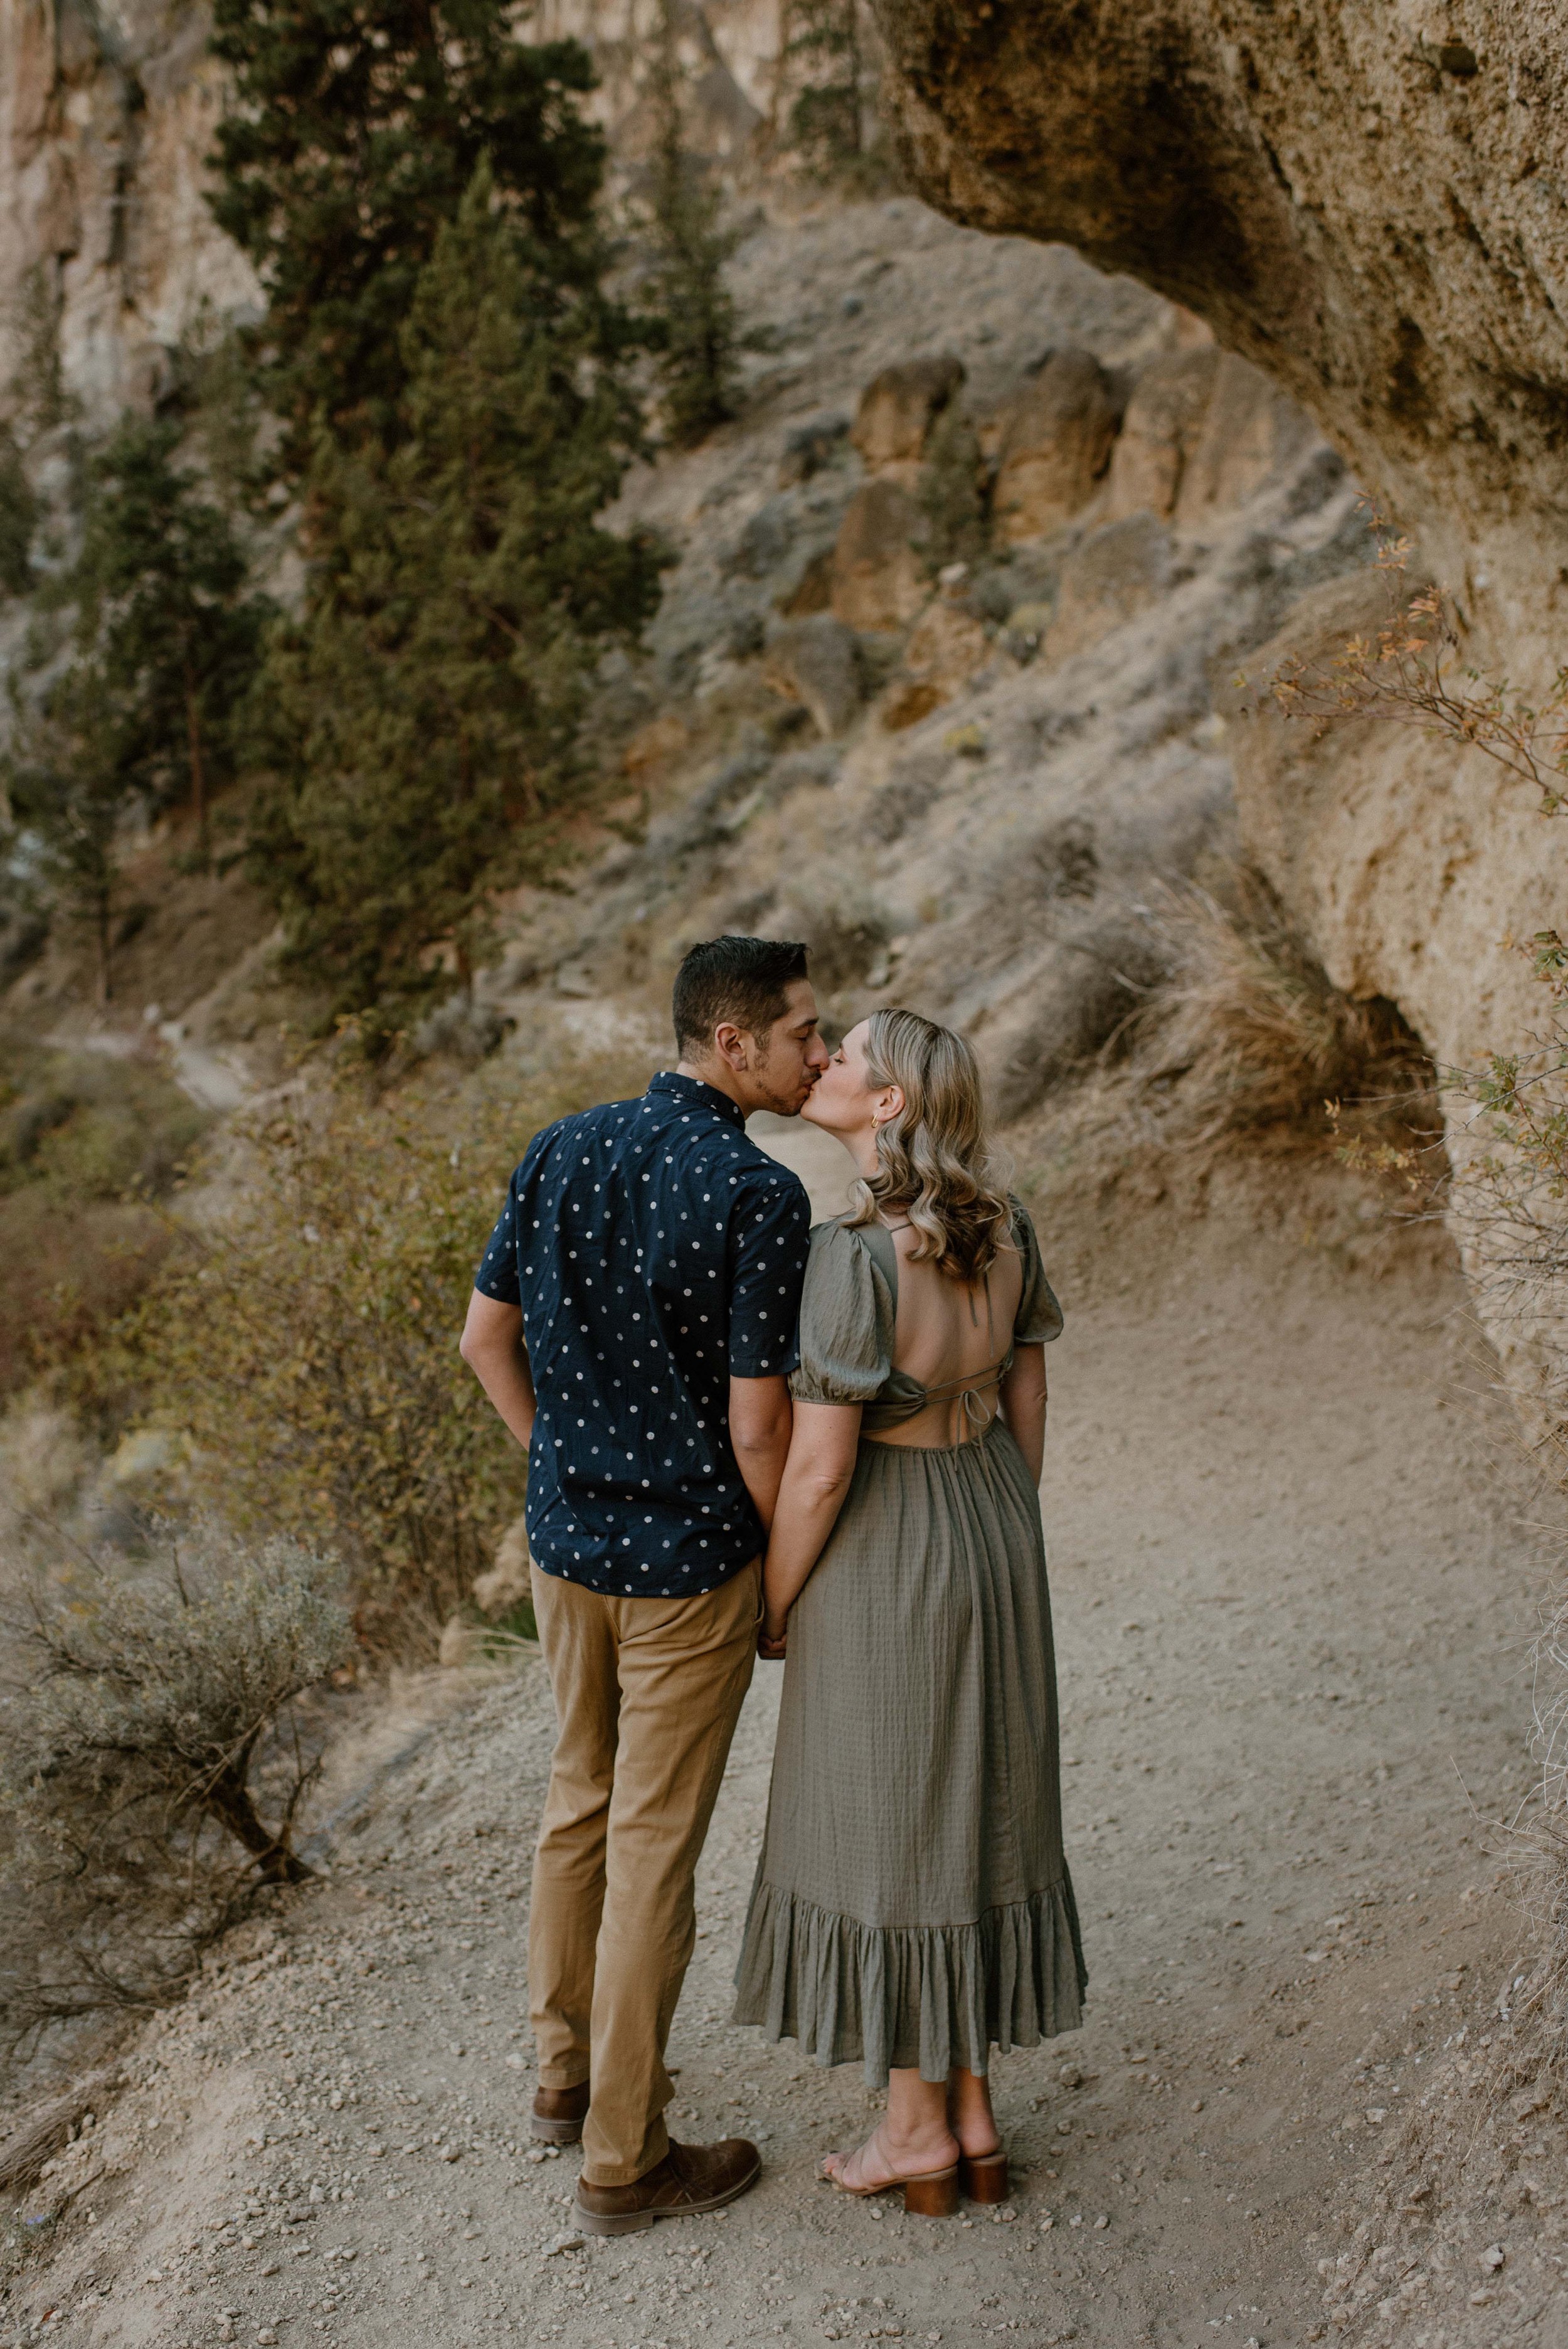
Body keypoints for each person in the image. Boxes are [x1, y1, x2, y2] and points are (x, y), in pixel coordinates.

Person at [460, 936, 829, 2235]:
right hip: (686, 1570)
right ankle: (624, 2158)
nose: (818, 1054)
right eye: (800, 1033)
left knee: (577, 1806)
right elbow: (758, 1433)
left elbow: (482, 1339)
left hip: (568, 1550)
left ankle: (563, 2078)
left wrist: (561, 1465)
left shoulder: (560, 1146)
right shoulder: (754, 1193)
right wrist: (781, 1584)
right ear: (733, 1046)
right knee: (652, 1852)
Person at [732, 1007, 1085, 2217]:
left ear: (887, 1106)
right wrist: (1005, 1522)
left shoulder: (856, 1257)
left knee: (890, 1824)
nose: (821, 1062)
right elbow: (1028, 1380)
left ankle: (912, 2132)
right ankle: (972, 2108)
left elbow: (820, 1468)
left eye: (846, 1059)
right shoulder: (1007, 1223)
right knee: (977, 1804)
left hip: (890, 1537)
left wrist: (775, 1602)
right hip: (991, 1510)